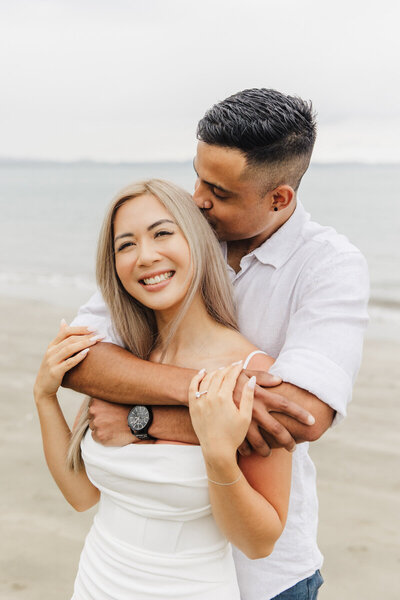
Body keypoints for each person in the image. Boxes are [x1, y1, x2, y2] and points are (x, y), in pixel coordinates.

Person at [64, 89, 370, 599]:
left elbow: (298, 416)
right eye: (199, 177)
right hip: (158, 561)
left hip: (265, 575)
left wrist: (141, 417)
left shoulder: (329, 266)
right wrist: (213, 400)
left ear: (280, 199)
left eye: (220, 192)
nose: (198, 199)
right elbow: (80, 357)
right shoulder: (180, 236)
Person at [34, 179, 293, 600]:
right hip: (97, 583)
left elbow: (259, 542)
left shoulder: (251, 374)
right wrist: (44, 398)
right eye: (125, 245)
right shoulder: (123, 361)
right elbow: (82, 495)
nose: (146, 256)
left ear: (197, 241)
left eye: (162, 233)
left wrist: (217, 455)